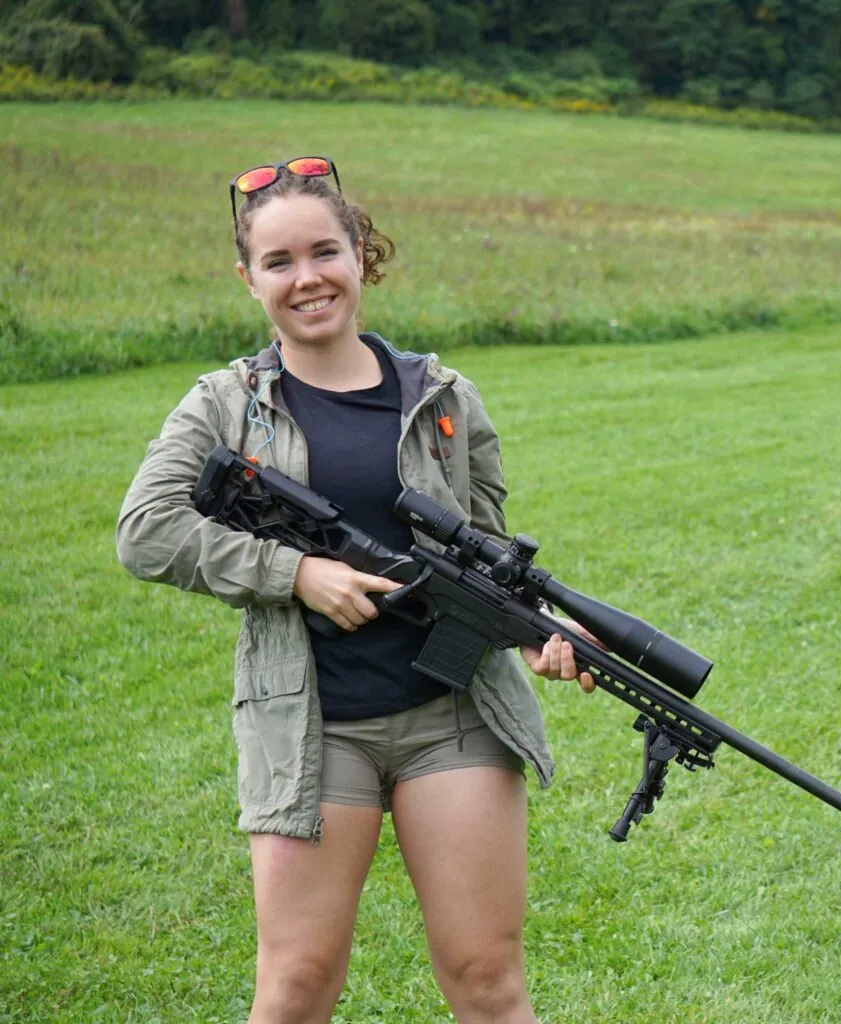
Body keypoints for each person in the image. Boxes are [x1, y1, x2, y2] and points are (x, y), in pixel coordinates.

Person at [116, 157, 596, 1024]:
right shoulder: (225, 403)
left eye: (324, 252)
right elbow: (145, 530)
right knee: (297, 985)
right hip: (312, 727)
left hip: (453, 716)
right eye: (279, 261)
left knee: (488, 979)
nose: (307, 278)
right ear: (248, 279)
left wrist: (536, 628)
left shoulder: (442, 396)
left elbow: (486, 550)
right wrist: (294, 573)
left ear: (360, 255)